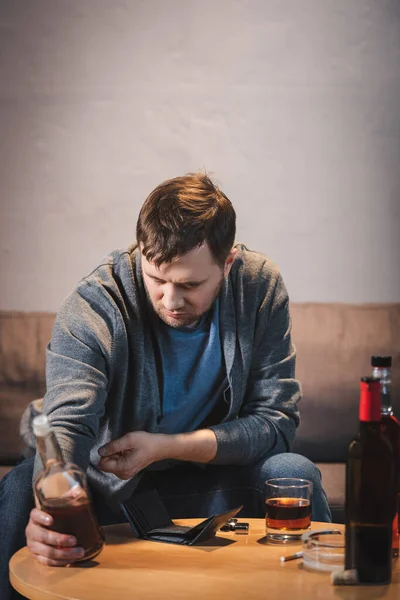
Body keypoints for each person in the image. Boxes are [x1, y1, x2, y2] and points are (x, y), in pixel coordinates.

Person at [0, 172, 331, 599]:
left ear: (227, 263)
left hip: (209, 484)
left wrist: (167, 444)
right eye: (158, 279)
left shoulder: (258, 286)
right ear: (141, 254)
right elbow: (68, 423)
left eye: (191, 284)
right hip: (109, 489)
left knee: (292, 472)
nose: (171, 300)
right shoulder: (94, 304)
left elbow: (276, 423)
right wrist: (56, 509)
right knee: (19, 488)